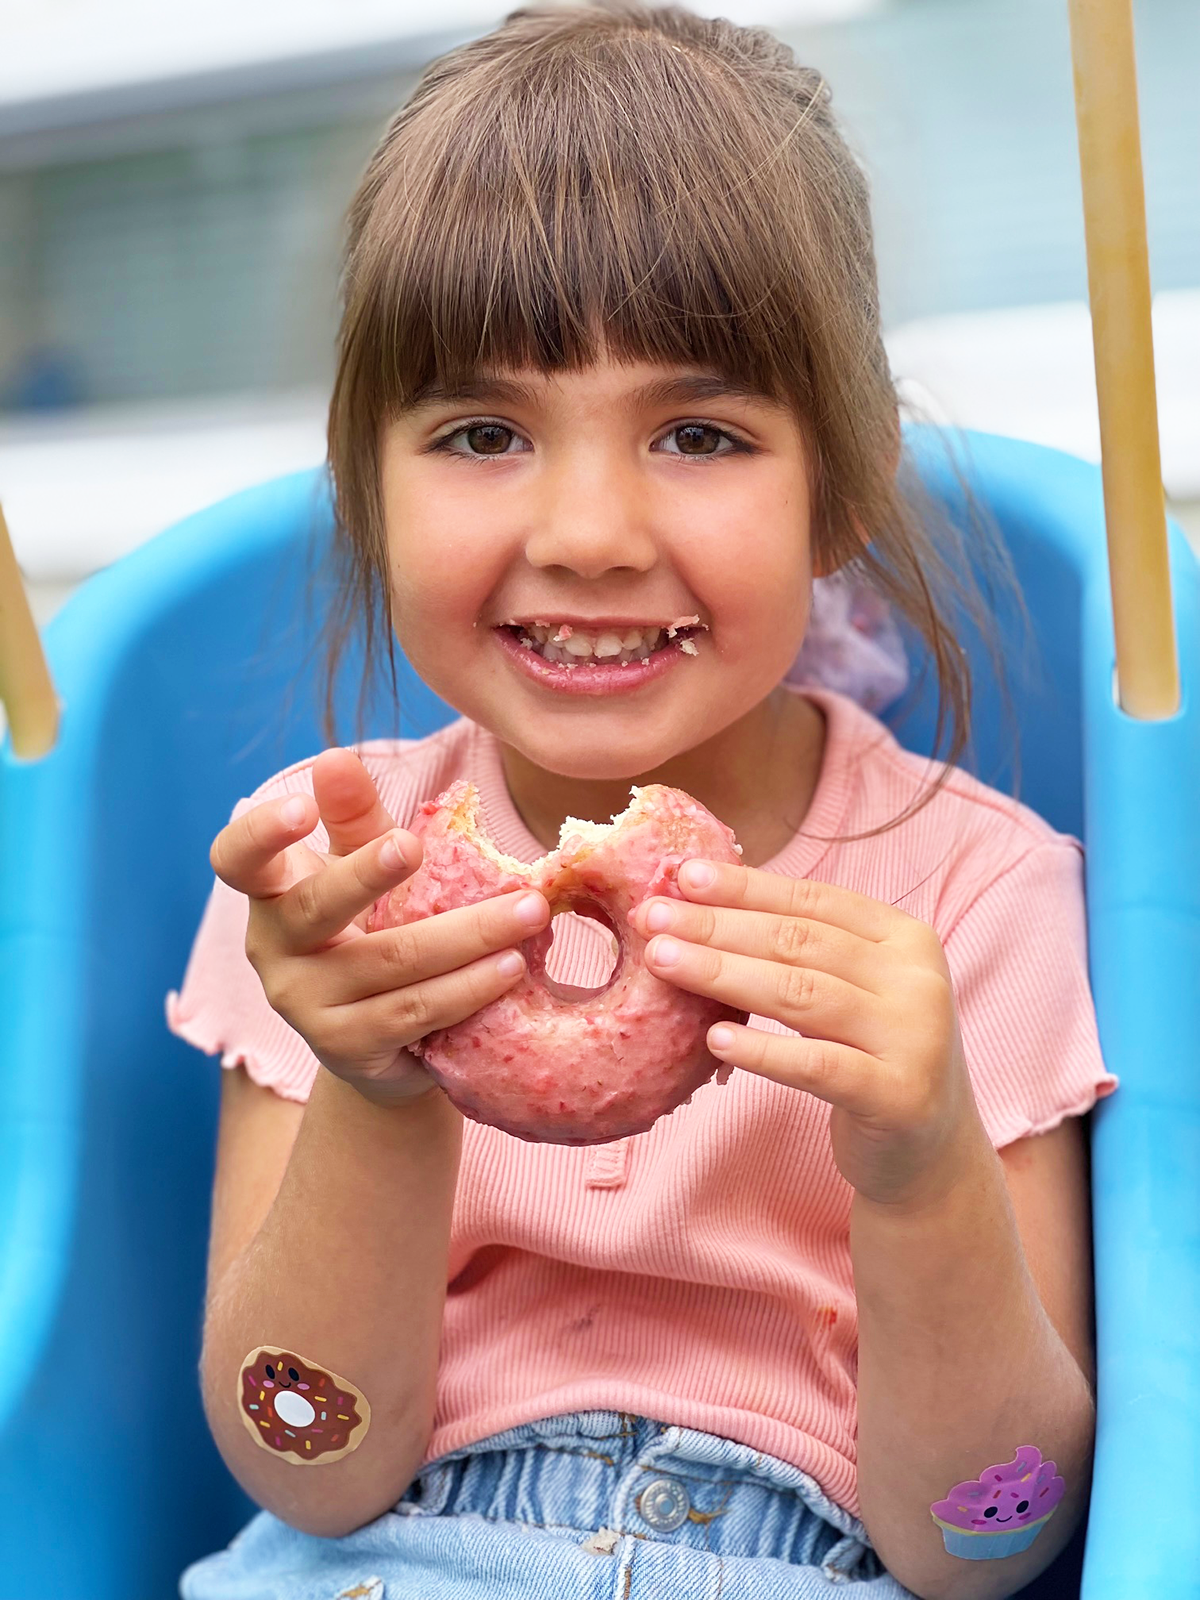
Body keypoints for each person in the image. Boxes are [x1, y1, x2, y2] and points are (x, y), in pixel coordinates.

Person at [166, 3, 1117, 1595]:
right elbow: (302, 1463)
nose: (591, 530)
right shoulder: (325, 878)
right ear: (366, 487)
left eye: (698, 432)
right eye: (482, 432)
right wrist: (379, 1091)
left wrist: (924, 1160)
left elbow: (989, 1543)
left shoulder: (971, 896)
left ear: (848, 483)